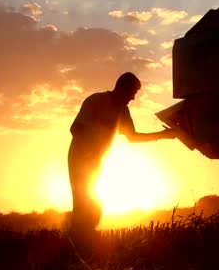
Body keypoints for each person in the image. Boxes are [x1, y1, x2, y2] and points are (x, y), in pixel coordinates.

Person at [67, 72, 175, 237]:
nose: (133, 98)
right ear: (122, 88)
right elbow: (75, 129)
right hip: (79, 159)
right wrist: (91, 151)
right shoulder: (95, 100)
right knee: (84, 203)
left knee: (93, 205)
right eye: (133, 93)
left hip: (97, 162)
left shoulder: (123, 110)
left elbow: (132, 137)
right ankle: (77, 241)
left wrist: (162, 135)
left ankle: (83, 240)